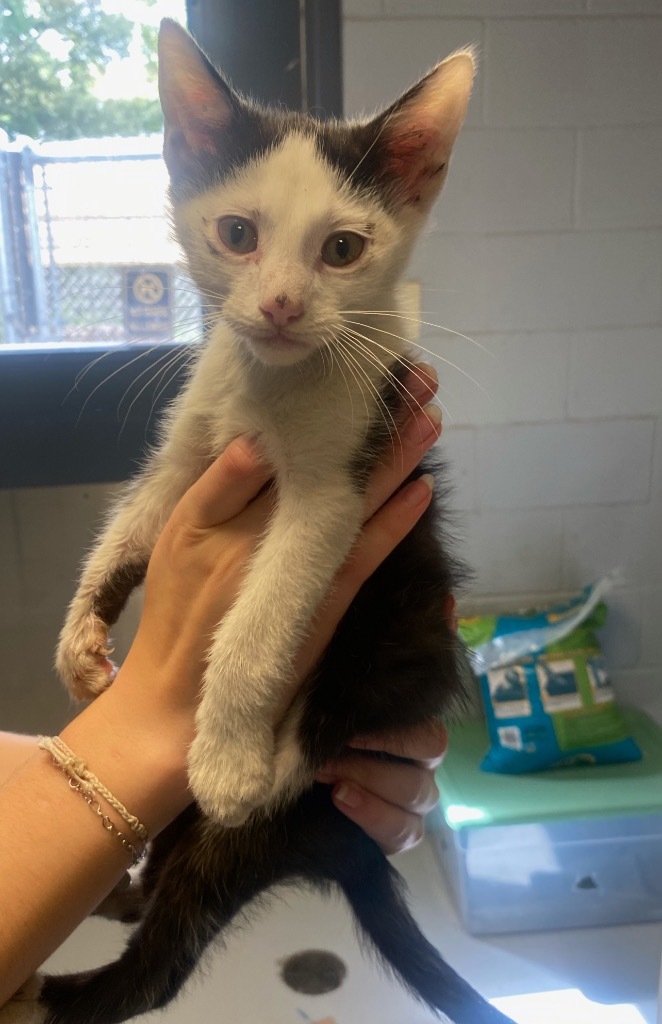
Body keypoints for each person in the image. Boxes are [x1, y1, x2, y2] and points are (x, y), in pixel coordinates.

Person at [0, 366, 449, 1007]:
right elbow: (169, 483)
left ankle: (124, 965)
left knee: (222, 827)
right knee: (206, 820)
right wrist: (132, 724)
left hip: (346, 699)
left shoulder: (367, 375)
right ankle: (137, 919)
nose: (280, 301)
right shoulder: (229, 372)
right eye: (240, 252)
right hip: (296, 735)